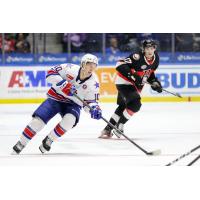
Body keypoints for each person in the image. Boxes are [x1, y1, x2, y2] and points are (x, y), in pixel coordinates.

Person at [13, 53, 102, 154]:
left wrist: (94, 109)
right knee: (38, 121)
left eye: (94, 65)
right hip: (55, 98)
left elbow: (90, 102)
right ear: (82, 64)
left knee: (70, 121)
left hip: (73, 104)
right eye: (89, 64)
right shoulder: (70, 68)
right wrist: (63, 83)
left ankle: (49, 139)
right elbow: (50, 74)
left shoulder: (94, 83)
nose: (91, 67)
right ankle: (22, 142)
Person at [99, 39, 162, 139]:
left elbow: (149, 73)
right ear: (143, 49)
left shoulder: (156, 59)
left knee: (123, 106)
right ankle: (119, 125)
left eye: (152, 48)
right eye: (147, 48)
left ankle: (107, 129)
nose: (149, 51)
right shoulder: (136, 57)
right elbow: (119, 65)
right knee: (136, 104)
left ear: (155, 48)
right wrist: (133, 75)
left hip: (135, 85)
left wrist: (155, 82)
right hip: (124, 82)